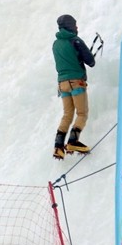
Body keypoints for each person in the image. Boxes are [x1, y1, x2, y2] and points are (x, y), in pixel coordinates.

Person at [52, 14, 96, 159]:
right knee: (82, 113)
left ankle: (58, 147)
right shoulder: (75, 41)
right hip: (76, 82)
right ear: (70, 26)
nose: (77, 28)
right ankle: (73, 141)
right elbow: (90, 61)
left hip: (62, 84)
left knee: (67, 114)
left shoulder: (55, 44)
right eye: (75, 25)